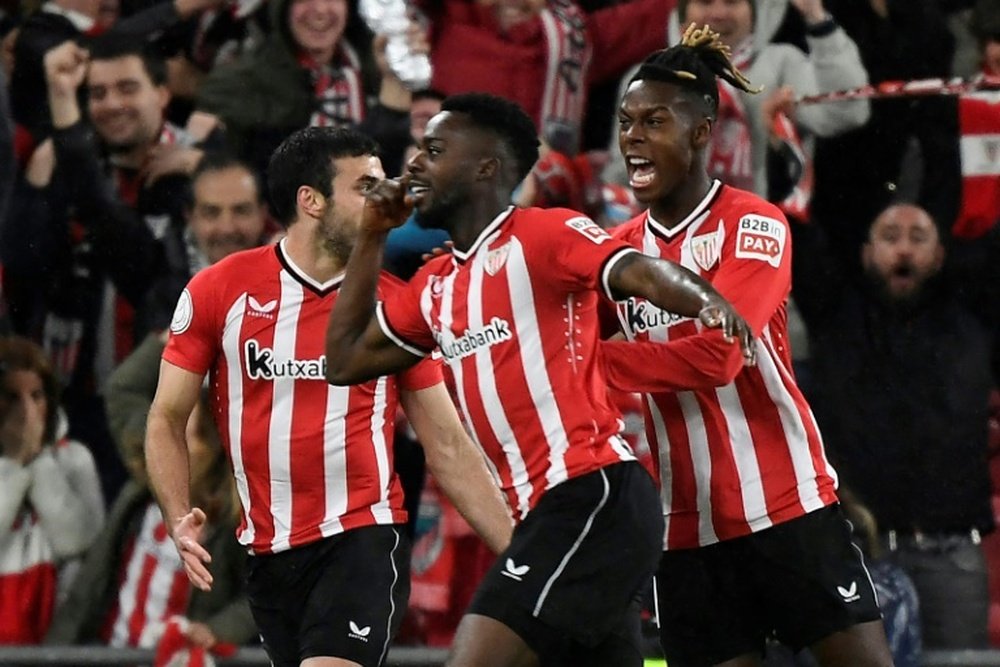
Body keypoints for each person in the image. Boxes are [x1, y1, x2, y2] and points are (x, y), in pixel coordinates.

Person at [323, 91, 754, 666]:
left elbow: (635, 270)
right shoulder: (435, 285)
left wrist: (707, 300)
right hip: (539, 520)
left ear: (485, 167)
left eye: (433, 149)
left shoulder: (544, 235)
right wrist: (372, 236)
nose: (414, 165)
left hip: (592, 497)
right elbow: (345, 360)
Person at [145, 125, 512, 667]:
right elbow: (166, 417)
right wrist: (177, 513)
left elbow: (449, 446)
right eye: (365, 186)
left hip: (361, 540)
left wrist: (523, 559)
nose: (385, 196)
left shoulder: (393, 305)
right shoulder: (220, 290)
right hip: (267, 555)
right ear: (311, 202)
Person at [596, 27, 893, 666]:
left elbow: (719, 355)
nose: (633, 137)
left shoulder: (754, 223)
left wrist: (593, 362)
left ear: (702, 132)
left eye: (654, 121)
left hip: (785, 504)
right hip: (683, 530)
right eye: (625, 122)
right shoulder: (610, 253)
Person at [793, 202, 1000, 649]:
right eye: (889, 237)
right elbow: (791, 228)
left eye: (918, 237)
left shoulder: (974, 319)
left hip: (953, 556)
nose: (903, 248)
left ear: (941, 255)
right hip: (859, 555)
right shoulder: (835, 314)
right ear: (866, 253)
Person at [45, 391, 256, 654]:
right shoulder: (138, 500)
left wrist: (216, 630)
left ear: (212, 448)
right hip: (111, 656)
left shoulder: (234, 525)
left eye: (179, 437)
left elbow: (266, 595)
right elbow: (86, 591)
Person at [0, 336, 105, 644]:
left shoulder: (75, 459)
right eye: (12, 397)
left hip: (55, 637)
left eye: (36, 396)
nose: (27, 412)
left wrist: (38, 462)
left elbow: (80, 544)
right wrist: (16, 466)